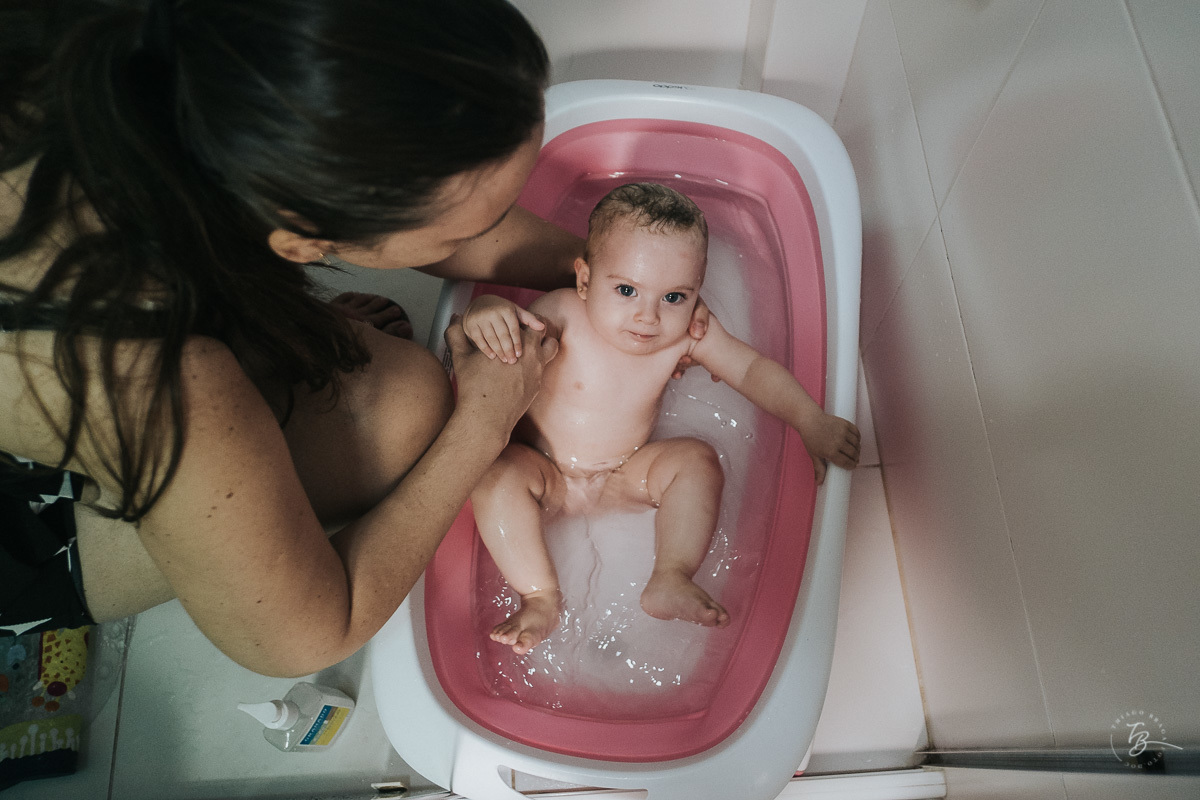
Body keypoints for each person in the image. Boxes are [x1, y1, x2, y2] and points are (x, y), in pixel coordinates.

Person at [0, 0, 585, 677]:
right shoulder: (144, 369)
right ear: (305, 240)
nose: (490, 228)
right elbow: (301, 636)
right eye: (461, 231)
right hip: (20, 520)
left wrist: (612, 265)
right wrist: (483, 422)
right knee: (403, 410)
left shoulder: (210, 44)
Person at [462, 182, 861, 656]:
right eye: (627, 289)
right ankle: (539, 595)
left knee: (696, 460)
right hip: (543, 470)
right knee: (495, 474)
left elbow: (751, 370)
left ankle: (671, 574)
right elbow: (500, 347)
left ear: (697, 292)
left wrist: (809, 419)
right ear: (585, 280)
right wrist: (484, 313)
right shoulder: (560, 315)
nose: (648, 317)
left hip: (624, 474)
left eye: (674, 297)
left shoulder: (688, 335)